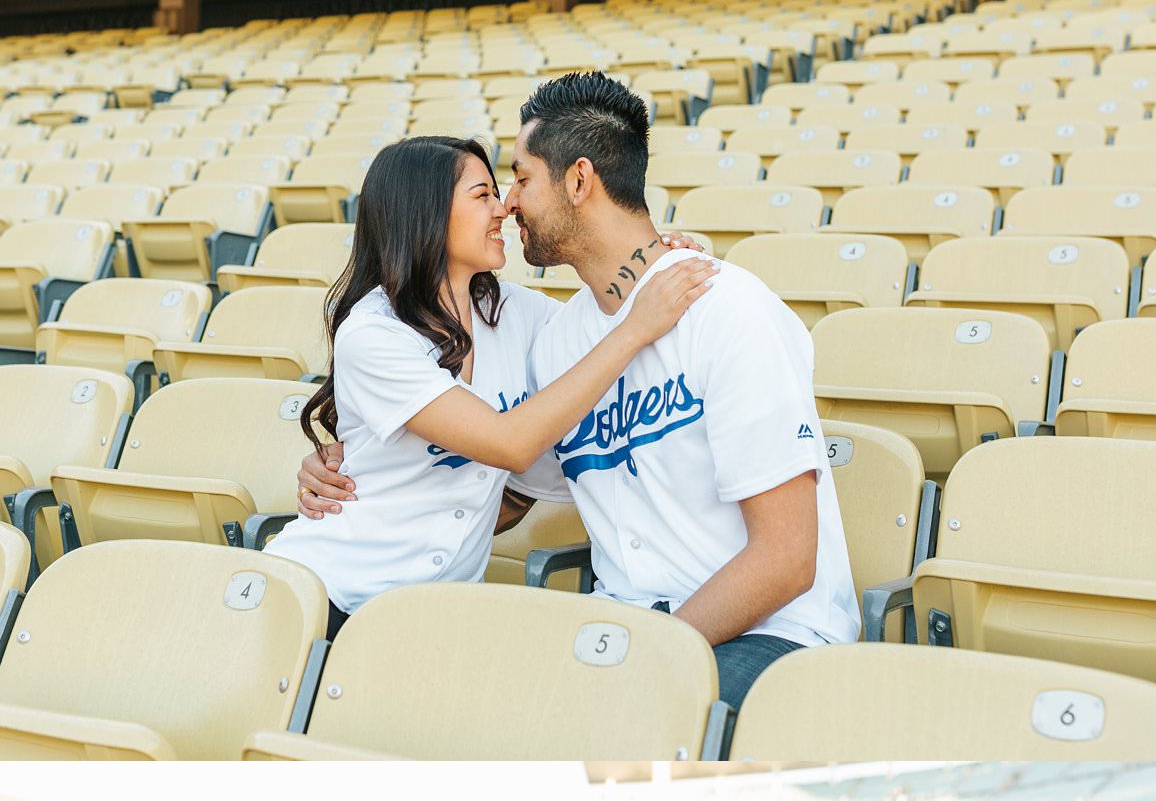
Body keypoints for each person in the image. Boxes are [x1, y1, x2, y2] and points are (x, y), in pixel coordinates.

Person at [299, 72, 860, 712]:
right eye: (492, 189)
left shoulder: (725, 309)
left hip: (762, 632)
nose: (508, 204)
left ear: (578, 181)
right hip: (612, 626)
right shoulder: (558, 340)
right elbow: (505, 465)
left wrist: (655, 651)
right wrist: (353, 475)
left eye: (519, 179)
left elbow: (787, 559)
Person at [266, 133, 716, 634]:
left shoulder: (516, 311)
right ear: (424, 214)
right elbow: (511, 443)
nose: (504, 208)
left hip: (429, 616)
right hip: (327, 593)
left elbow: (605, 325)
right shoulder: (372, 333)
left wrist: (660, 257)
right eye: (482, 196)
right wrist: (636, 328)